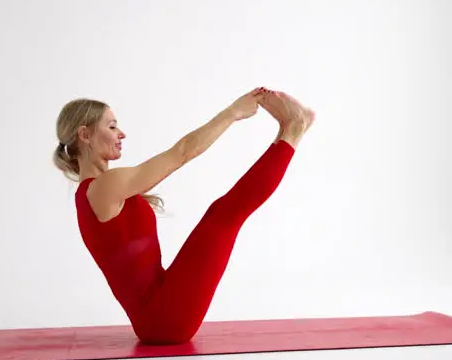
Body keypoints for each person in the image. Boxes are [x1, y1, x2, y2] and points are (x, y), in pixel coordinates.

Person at [53, 88, 314, 344]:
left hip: (159, 311)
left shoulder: (101, 189)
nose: (121, 134)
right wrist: (232, 113)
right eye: (111, 127)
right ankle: (292, 130)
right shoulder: (102, 188)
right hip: (164, 320)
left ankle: (287, 131)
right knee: (224, 215)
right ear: (84, 135)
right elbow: (182, 152)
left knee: (222, 214)